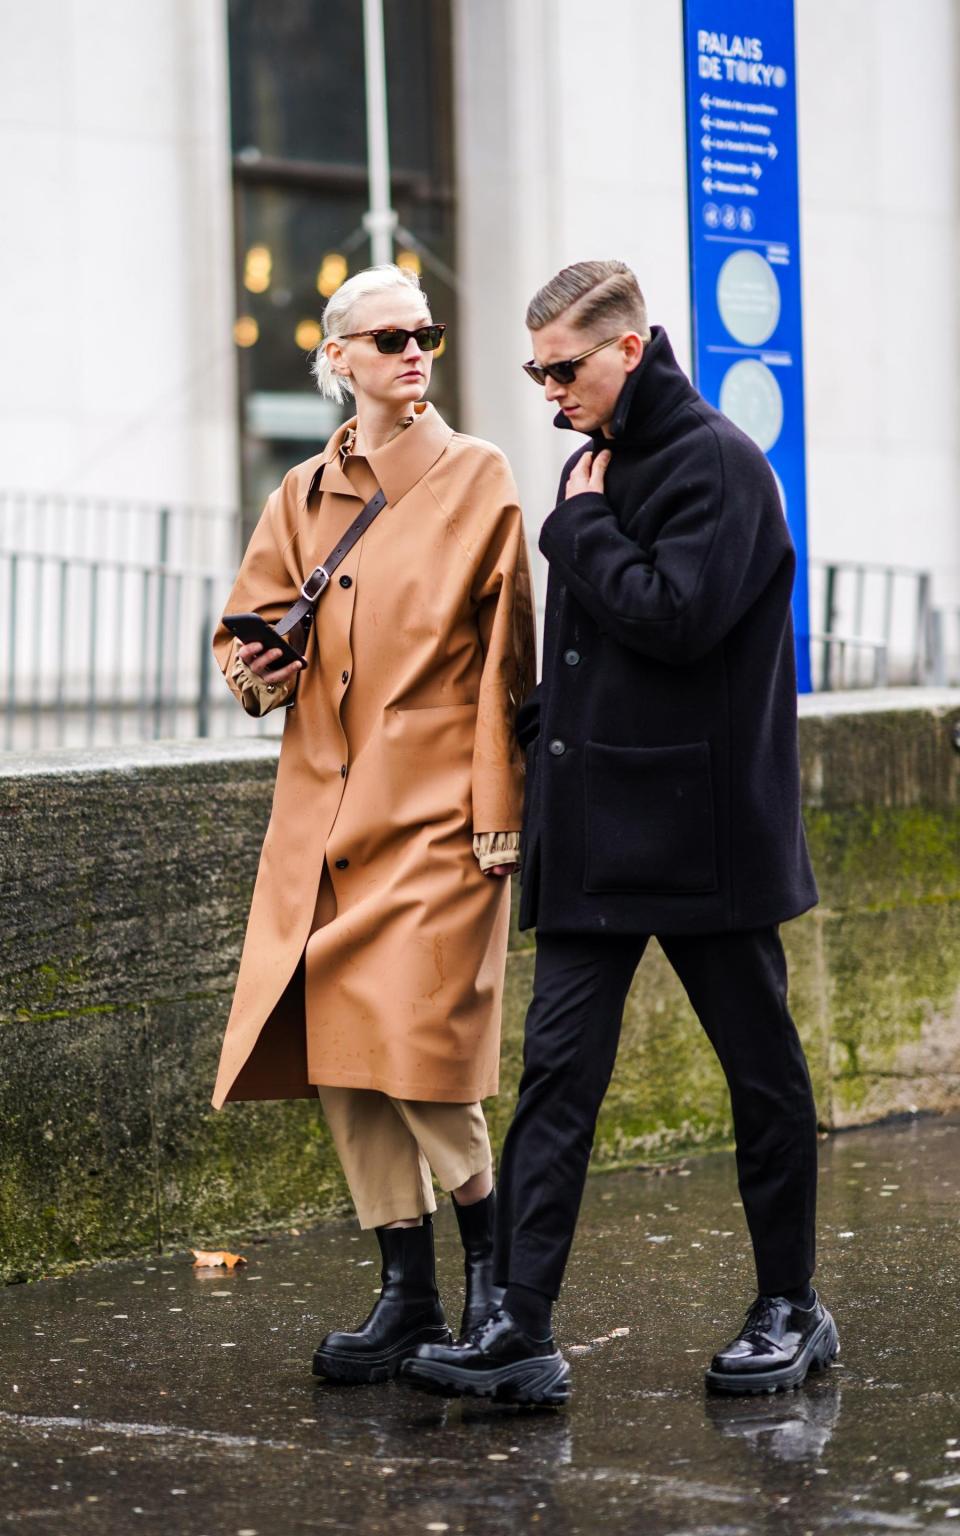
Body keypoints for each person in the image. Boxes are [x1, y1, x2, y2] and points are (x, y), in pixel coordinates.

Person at [402, 259, 838, 1406]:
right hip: (597, 833)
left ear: (630, 349)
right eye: (536, 370)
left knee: (762, 1077)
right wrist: (547, 728)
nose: (549, 389)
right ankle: (522, 1329)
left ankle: (791, 1305)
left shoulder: (721, 468)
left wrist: (579, 525)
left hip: (705, 840)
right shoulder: (593, 464)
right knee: (555, 1081)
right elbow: (591, 648)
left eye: (565, 367)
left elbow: (678, 618)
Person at [210, 263, 535, 1384]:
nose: (413, 352)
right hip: (323, 819)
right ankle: (408, 1291)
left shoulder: (476, 475)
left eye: (426, 334)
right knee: (342, 1057)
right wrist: (256, 666)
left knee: (426, 1054)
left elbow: (510, 663)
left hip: (439, 815)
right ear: (337, 358)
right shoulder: (300, 495)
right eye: (388, 337)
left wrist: (500, 810)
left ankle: (498, 1286)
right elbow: (242, 637)